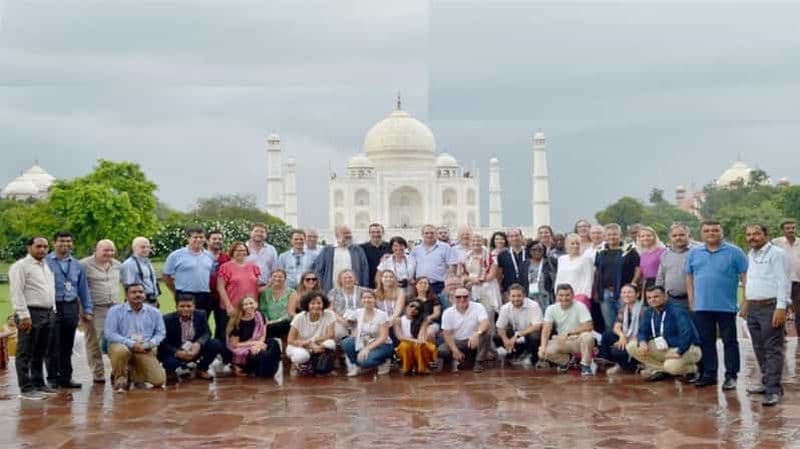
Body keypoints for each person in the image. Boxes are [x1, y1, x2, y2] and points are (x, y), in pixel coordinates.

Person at [686, 220, 748, 389]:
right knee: (706, 341)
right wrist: (692, 300)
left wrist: (745, 301)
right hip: (702, 306)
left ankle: (731, 375)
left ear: (722, 232)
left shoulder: (735, 252)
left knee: (730, 341)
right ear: (701, 233)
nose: (711, 233)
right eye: (706, 231)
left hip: (726, 306)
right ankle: (709, 374)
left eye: (715, 230)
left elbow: (745, 276)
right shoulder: (694, 253)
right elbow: (689, 277)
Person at [741, 224, 791, 406]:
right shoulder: (751, 254)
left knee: (772, 349)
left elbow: (783, 281)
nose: (752, 237)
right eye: (749, 234)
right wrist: (746, 302)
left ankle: (773, 389)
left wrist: (781, 307)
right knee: (759, 347)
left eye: (756, 234)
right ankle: (767, 381)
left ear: (766, 234)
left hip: (771, 307)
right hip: (754, 307)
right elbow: (752, 280)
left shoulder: (777, 254)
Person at [9, 237, 56, 400]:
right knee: (25, 352)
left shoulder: (46, 266)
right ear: (29, 248)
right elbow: (17, 292)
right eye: (38, 246)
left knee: (40, 352)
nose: (42, 250)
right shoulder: (20, 266)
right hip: (30, 314)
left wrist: (53, 311)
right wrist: (23, 316)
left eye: (45, 247)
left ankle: (38, 383)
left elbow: (50, 290)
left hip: (48, 313)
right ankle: (26, 388)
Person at [45, 231, 92, 389]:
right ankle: (52, 378)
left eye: (68, 241)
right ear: (54, 243)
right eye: (62, 241)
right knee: (52, 344)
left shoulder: (77, 264)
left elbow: (82, 288)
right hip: (52, 306)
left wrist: (87, 308)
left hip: (71, 306)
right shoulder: (45, 262)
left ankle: (65, 377)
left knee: (67, 344)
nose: (66, 244)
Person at [627, 286, 702, 382]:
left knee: (671, 366)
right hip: (665, 347)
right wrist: (642, 341)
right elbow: (642, 331)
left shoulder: (677, 310)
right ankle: (660, 370)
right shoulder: (649, 312)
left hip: (688, 348)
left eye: (656, 297)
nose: (652, 300)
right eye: (649, 298)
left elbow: (687, 333)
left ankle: (692, 369)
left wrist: (679, 351)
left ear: (665, 297)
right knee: (632, 346)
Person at [104, 283, 166, 392]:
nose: (138, 295)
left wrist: (148, 344)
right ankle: (120, 380)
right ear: (126, 295)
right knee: (121, 351)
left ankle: (133, 373)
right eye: (133, 292)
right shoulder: (115, 311)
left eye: (141, 292)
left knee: (159, 381)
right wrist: (131, 344)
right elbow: (109, 334)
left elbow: (160, 333)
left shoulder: (154, 312)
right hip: (122, 346)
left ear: (144, 295)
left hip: (144, 348)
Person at [80, 239, 121, 384]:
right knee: (94, 342)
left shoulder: (117, 265)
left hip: (114, 308)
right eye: (105, 250)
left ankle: (118, 371)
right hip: (94, 309)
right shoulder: (84, 265)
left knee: (116, 340)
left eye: (111, 250)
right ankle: (98, 374)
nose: (109, 253)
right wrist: (84, 310)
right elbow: (79, 289)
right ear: (96, 250)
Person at [158, 295, 222, 382]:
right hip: (176, 350)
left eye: (189, 306)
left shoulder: (201, 315)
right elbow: (163, 342)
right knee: (170, 364)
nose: (185, 309)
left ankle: (202, 369)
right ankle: (170, 372)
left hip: (194, 349)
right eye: (182, 306)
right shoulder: (167, 319)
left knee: (215, 343)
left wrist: (199, 343)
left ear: (194, 307)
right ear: (176, 307)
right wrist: (176, 352)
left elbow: (206, 333)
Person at [538, 284, 597, 376]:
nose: (564, 298)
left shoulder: (580, 306)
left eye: (567, 295)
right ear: (556, 296)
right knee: (542, 352)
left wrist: (569, 333)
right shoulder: (551, 309)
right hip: (562, 341)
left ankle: (586, 365)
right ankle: (567, 361)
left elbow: (589, 326)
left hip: (578, 340)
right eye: (561, 295)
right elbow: (546, 330)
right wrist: (543, 346)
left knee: (588, 337)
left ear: (572, 296)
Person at [593, 223, 641, 332]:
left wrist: (633, 283)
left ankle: (625, 346)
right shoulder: (600, 251)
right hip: (605, 292)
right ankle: (612, 347)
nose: (612, 237)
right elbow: (597, 271)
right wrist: (595, 289)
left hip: (624, 292)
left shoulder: (629, 250)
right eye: (609, 235)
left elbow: (638, 269)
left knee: (625, 321)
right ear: (605, 236)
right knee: (609, 322)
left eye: (614, 234)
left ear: (620, 235)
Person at [162, 226, 216, 319]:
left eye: (201, 237)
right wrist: (175, 291)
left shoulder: (209, 256)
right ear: (188, 238)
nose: (198, 240)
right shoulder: (176, 255)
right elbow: (166, 276)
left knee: (202, 323)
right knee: (185, 322)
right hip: (184, 294)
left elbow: (212, 275)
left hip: (204, 295)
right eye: (195, 237)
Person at [225, 296, 281, 378]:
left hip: (258, 343)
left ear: (256, 304)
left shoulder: (260, 316)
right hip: (242, 348)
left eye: (251, 303)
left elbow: (263, 335)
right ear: (241, 307)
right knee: (261, 354)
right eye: (245, 304)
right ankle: (254, 370)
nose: (249, 306)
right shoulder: (237, 322)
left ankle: (270, 371)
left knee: (273, 343)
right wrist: (254, 344)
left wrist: (259, 344)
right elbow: (235, 344)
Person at [438, 287, 491, 373]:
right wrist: (455, 350)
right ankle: (451, 361)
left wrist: (477, 333)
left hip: (472, 341)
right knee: (442, 351)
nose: (462, 299)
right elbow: (446, 334)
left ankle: (479, 362)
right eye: (458, 297)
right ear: (452, 298)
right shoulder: (448, 312)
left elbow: (485, 323)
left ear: (469, 297)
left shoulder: (478, 307)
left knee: (486, 335)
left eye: (465, 296)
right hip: (457, 341)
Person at [341, 290, 394, 376]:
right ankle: (356, 365)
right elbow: (346, 320)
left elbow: (383, 337)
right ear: (361, 300)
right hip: (364, 342)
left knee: (365, 362)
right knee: (346, 342)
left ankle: (384, 362)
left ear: (375, 299)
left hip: (382, 345)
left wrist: (367, 349)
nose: (367, 300)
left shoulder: (382, 315)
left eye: (370, 297)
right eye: (364, 298)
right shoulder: (358, 312)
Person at [216, 242, 261, 341]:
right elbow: (220, 287)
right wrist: (228, 306)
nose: (241, 252)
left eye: (243, 250)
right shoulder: (225, 267)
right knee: (229, 334)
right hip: (232, 307)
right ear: (232, 252)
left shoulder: (253, 267)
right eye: (238, 250)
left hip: (249, 308)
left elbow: (256, 287)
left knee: (247, 334)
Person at [286, 291, 337, 376]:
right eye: (312, 303)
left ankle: (323, 367)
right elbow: (290, 340)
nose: (316, 306)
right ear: (307, 305)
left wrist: (316, 343)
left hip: (318, 344)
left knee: (330, 344)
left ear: (323, 304)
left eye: (319, 303)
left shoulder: (329, 314)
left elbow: (330, 335)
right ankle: (296, 365)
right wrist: (310, 345)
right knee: (302, 356)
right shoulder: (299, 317)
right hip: (299, 345)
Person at [598, 284, 642, 374]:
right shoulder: (624, 308)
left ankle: (627, 366)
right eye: (624, 292)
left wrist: (627, 340)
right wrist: (622, 336)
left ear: (637, 294)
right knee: (607, 335)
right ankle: (608, 361)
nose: (626, 295)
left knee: (617, 350)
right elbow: (617, 326)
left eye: (630, 292)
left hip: (639, 339)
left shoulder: (643, 309)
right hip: (627, 335)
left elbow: (643, 331)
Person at [494, 284, 543, 366]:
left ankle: (534, 356)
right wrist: (505, 340)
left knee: (535, 336)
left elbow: (537, 326)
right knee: (497, 337)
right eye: (513, 296)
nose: (516, 299)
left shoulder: (533, 305)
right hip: (517, 335)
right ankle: (516, 352)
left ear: (524, 295)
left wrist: (517, 335)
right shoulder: (505, 308)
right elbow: (500, 327)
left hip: (529, 334)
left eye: (519, 296)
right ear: (508, 297)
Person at [313, 225, 370, 292]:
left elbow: (364, 269)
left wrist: (364, 287)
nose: (349, 235)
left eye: (349, 233)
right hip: (331, 289)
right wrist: (321, 287)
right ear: (337, 235)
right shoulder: (327, 250)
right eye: (345, 233)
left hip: (354, 291)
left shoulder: (357, 250)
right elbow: (318, 270)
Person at [460, 233, 501, 325]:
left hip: (487, 289)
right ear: (470, 242)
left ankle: (489, 338)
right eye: (473, 240)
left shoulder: (491, 256)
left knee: (487, 315)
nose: (476, 243)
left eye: (478, 240)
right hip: (471, 289)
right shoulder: (467, 256)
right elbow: (462, 274)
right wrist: (468, 280)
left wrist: (474, 280)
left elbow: (491, 275)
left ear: (482, 241)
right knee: (473, 317)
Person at [772, 219, 800, 341]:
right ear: (783, 230)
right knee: (780, 308)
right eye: (788, 228)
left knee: (798, 311)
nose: (791, 230)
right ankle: (779, 336)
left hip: (797, 282)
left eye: (793, 228)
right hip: (781, 282)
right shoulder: (776, 243)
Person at [656, 223, 695, 310]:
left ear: (689, 235)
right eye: (674, 235)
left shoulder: (696, 253)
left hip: (692, 301)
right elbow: (660, 277)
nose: (678, 237)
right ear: (670, 237)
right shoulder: (665, 254)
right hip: (670, 300)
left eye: (682, 235)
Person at [411, 225, 457, 294]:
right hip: (420, 286)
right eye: (426, 233)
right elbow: (412, 267)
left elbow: (452, 267)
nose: (429, 235)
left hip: (439, 285)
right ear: (422, 234)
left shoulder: (445, 247)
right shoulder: (416, 250)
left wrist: (447, 285)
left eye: (432, 233)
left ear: (436, 234)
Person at [394, 300, 437, 375]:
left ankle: (422, 368)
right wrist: (414, 341)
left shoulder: (423, 320)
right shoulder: (398, 320)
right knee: (405, 345)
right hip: (405, 346)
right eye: (411, 306)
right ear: (406, 307)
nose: (413, 309)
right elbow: (399, 337)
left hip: (418, 346)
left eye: (417, 309)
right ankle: (406, 368)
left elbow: (421, 336)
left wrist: (418, 341)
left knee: (421, 345)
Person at [554, 234, 594, 311]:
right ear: (567, 245)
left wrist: (584, 296)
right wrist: (557, 293)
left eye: (577, 243)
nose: (575, 246)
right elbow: (559, 277)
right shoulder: (562, 259)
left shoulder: (586, 259)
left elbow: (589, 279)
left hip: (579, 296)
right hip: (563, 296)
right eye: (572, 243)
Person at [206, 229, 230, 343]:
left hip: (222, 297)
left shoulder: (226, 258)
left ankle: (219, 351)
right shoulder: (201, 256)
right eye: (214, 239)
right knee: (202, 323)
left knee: (222, 324)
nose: (217, 241)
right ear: (207, 241)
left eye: (220, 239)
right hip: (204, 295)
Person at [120, 237, 160, 305]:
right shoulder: (129, 264)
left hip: (152, 300)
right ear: (134, 248)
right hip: (139, 302)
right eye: (143, 247)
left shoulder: (147, 262)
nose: (146, 249)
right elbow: (129, 286)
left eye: (148, 247)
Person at [327, 269, 366, 339]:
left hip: (360, 320)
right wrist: (342, 320)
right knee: (338, 332)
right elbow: (330, 310)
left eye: (350, 277)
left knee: (359, 335)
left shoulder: (363, 291)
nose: (348, 280)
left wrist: (359, 319)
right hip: (340, 320)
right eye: (345, 278)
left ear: (355, 279)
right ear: (340, 280)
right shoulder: (334, 292)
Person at [259, 269, 297, 339]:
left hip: (284, 322)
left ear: (285, 279)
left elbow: (290, 313)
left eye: (280, 277)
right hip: (268, 322)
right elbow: (263, 310)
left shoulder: (291, 292)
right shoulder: (265, 292)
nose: (277, 278)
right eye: (274, 276)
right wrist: (266, 321)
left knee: (271, 328)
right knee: (265, 328)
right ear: (270, 278)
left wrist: (275, 321)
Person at [525, 240, 557, 313]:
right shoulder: (524, 264)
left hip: (547, 298)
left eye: (540, 249)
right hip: (530, 298)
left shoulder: (551, 262)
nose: (537, 251)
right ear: (529, 251)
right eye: (534, 249)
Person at [497, 228, 529, 297]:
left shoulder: (529, 252)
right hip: (509, 292)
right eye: (511, 236)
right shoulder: (502, 255)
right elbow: (499, 275)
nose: (514, 238)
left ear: (521, 237)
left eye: (517, 235)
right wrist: (501, 290)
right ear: (508, 239)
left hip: (528, 290)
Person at [360, 223, 392, 289]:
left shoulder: (390, 247)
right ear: (369, 234)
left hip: (386, 283)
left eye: (378, 232)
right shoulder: (362, 248)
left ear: (383, 233)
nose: (376, 234)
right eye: (373, 232)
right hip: (368, 283)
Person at [637, 226, 666, 295]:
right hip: (647, 284)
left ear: (654, 237)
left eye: (648, 235)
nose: (645, 238)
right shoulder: (642, 254)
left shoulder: (663, 251)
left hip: (659, 283)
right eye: (642, 236)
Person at [412, 277, 442, 343]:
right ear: (416, 286)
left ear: (428, 286)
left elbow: (436, 314)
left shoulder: (434, 298)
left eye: (425, 283)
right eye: (420, 283)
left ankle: (431, 351)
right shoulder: (412, 300)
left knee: (429, 333)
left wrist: (427, 318)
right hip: (416, 323)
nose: (423, 285)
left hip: (432, 323)